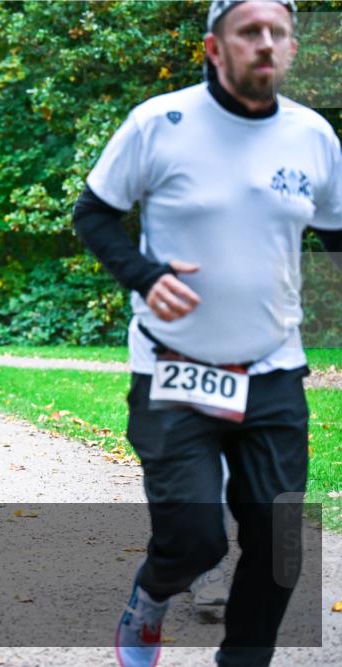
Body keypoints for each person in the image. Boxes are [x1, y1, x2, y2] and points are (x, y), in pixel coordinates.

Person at [72, 2, 341, 666]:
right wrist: (142, 272)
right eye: (250, 31)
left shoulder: (314, 136)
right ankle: (151, 595)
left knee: (278, 546)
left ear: (293, 47)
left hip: (273, 367)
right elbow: (94, 214)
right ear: (215, 48)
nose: (267, 43)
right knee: (195, 543)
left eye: (279, 32)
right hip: (172, 364)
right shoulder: (159, 124)